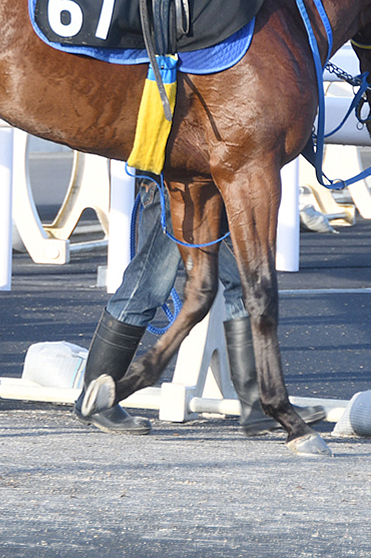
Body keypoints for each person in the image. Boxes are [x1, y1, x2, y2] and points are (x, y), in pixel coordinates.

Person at [74, 176, 275, 437]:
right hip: (179, 186)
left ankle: (255, 404)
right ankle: (95, 399)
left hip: (203, 189)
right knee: (146, 287)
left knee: (243, 281)